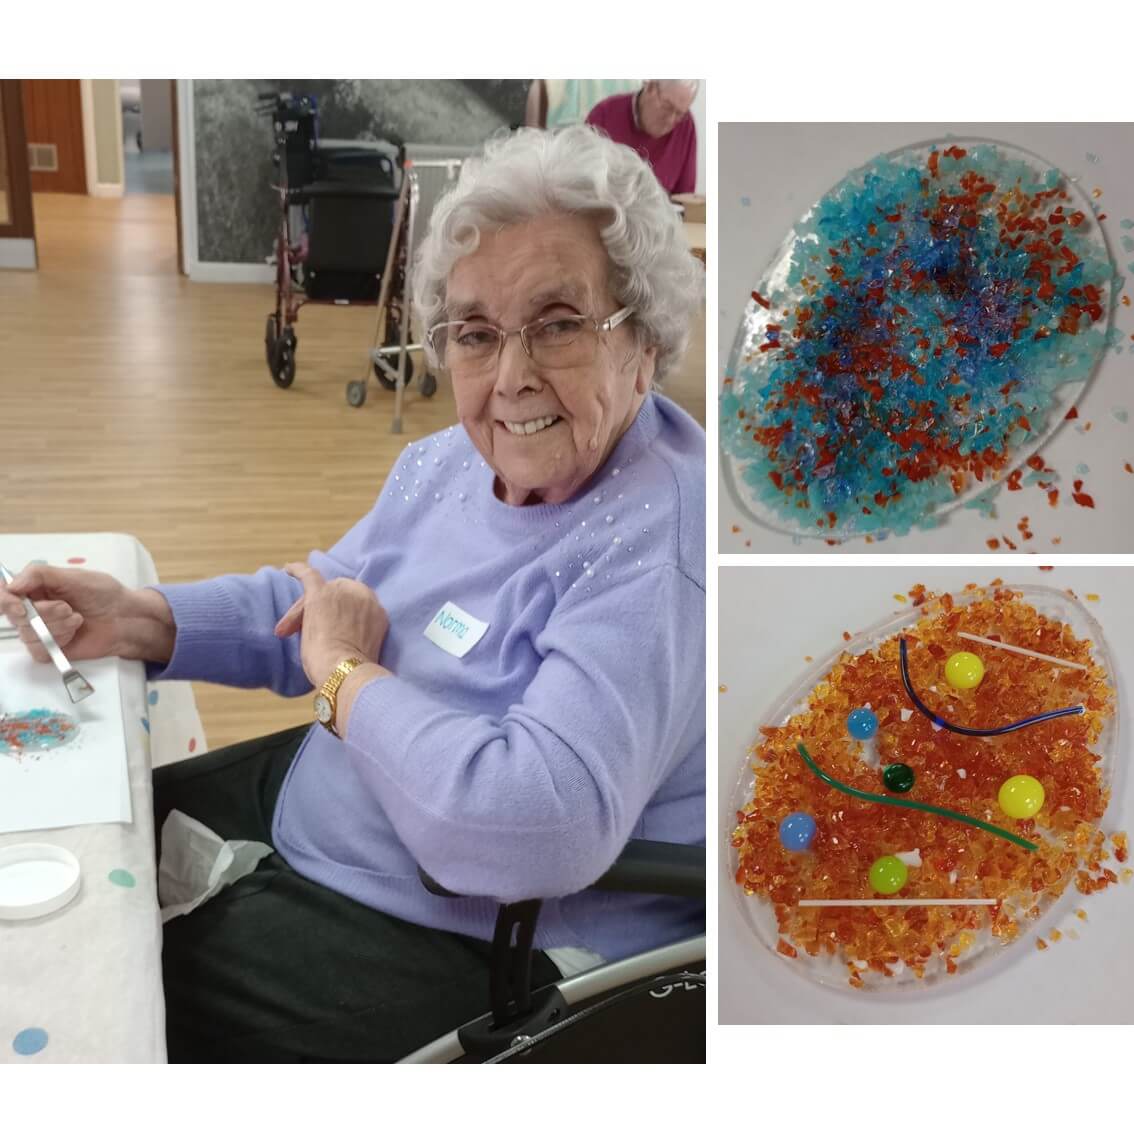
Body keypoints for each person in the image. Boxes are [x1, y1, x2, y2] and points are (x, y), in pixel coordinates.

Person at [0, 125, 706, 1064]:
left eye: (560, 322)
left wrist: (341, 678)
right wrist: (143, 617)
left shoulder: (653, 550)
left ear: (646, 339)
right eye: (475, 333)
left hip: (472, 927)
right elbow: (322, 598)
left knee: (94, 1006)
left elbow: (535, 827)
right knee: (90, 845)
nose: (510, 377)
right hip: (338, 800)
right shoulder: (449, 461)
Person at [585, 80, 698, 196]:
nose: (670, 120)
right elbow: (582, 185)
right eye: (667, 106)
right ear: (650, 87)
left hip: (661, 213)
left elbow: (684, 197)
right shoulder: (603, 115)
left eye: (679, 114)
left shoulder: (686, 125)